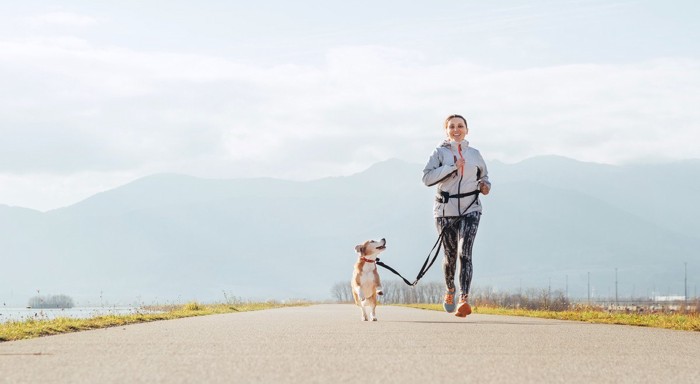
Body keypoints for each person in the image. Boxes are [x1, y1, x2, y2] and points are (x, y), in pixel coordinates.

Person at [421, 114, 491, 317]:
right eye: (451, 126)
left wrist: (485, 186)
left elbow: (484, 176)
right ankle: (450, 289)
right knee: (450, 256)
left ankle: (464, 299)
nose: (456, 129)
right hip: (445, 210)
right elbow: (426, 178)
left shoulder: (475, 154)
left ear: (467, 130)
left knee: (465, 252)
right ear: (446, 131)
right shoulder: (439, 152)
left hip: (471, 208)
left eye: (460, 126)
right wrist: (452, 167)